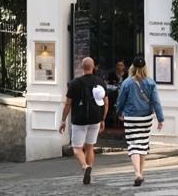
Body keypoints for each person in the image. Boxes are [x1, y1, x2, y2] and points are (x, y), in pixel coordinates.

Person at [116, 58, 163, 187]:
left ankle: (137, 173)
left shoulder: (127, 83)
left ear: (132, 67)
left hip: (131, 117)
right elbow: (156, 102)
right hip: (146, 117)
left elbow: (120, 100)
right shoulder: (151, 83)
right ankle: (141, 172)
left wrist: (118, 112)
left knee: (133, 145)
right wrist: (160, 118)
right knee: (142, 144)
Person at [60, 56, 107, 186]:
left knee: (76, 148)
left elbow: (68, 104)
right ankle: (89, 169)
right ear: (93, 67)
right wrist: (103, 119)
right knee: (90, 146)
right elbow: (106, 103)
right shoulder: (100, 82)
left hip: (79, 120)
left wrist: (63, 120)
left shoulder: (75, 83)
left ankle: (85, 166)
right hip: (95, 118)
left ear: (82, 67)